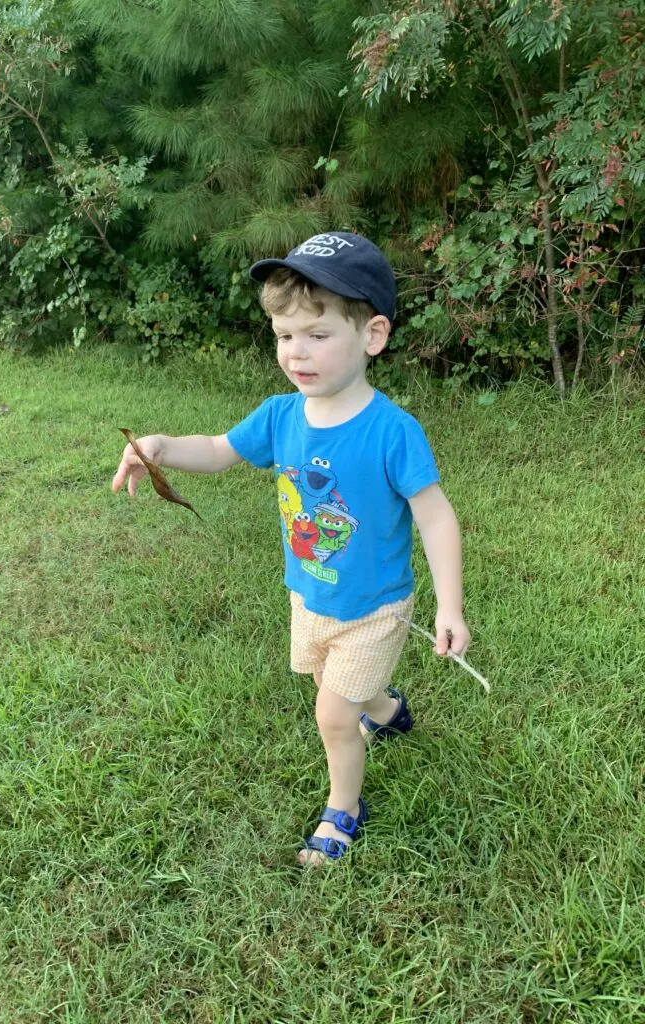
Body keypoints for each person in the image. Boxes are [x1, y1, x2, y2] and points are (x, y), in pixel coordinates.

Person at [112, 231, 470, 867]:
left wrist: (450, 606)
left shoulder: (392, 431)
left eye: (317, 334)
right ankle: (385, 711)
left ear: (373, 335)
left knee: (333, 714)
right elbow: (221, 450)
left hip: (374, 604)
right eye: (283, 335)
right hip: (310, 591)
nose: (295, 352)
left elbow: (437, 518)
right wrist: (165, 446)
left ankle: (344, 810)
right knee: (330, 677)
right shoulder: (282, 415)